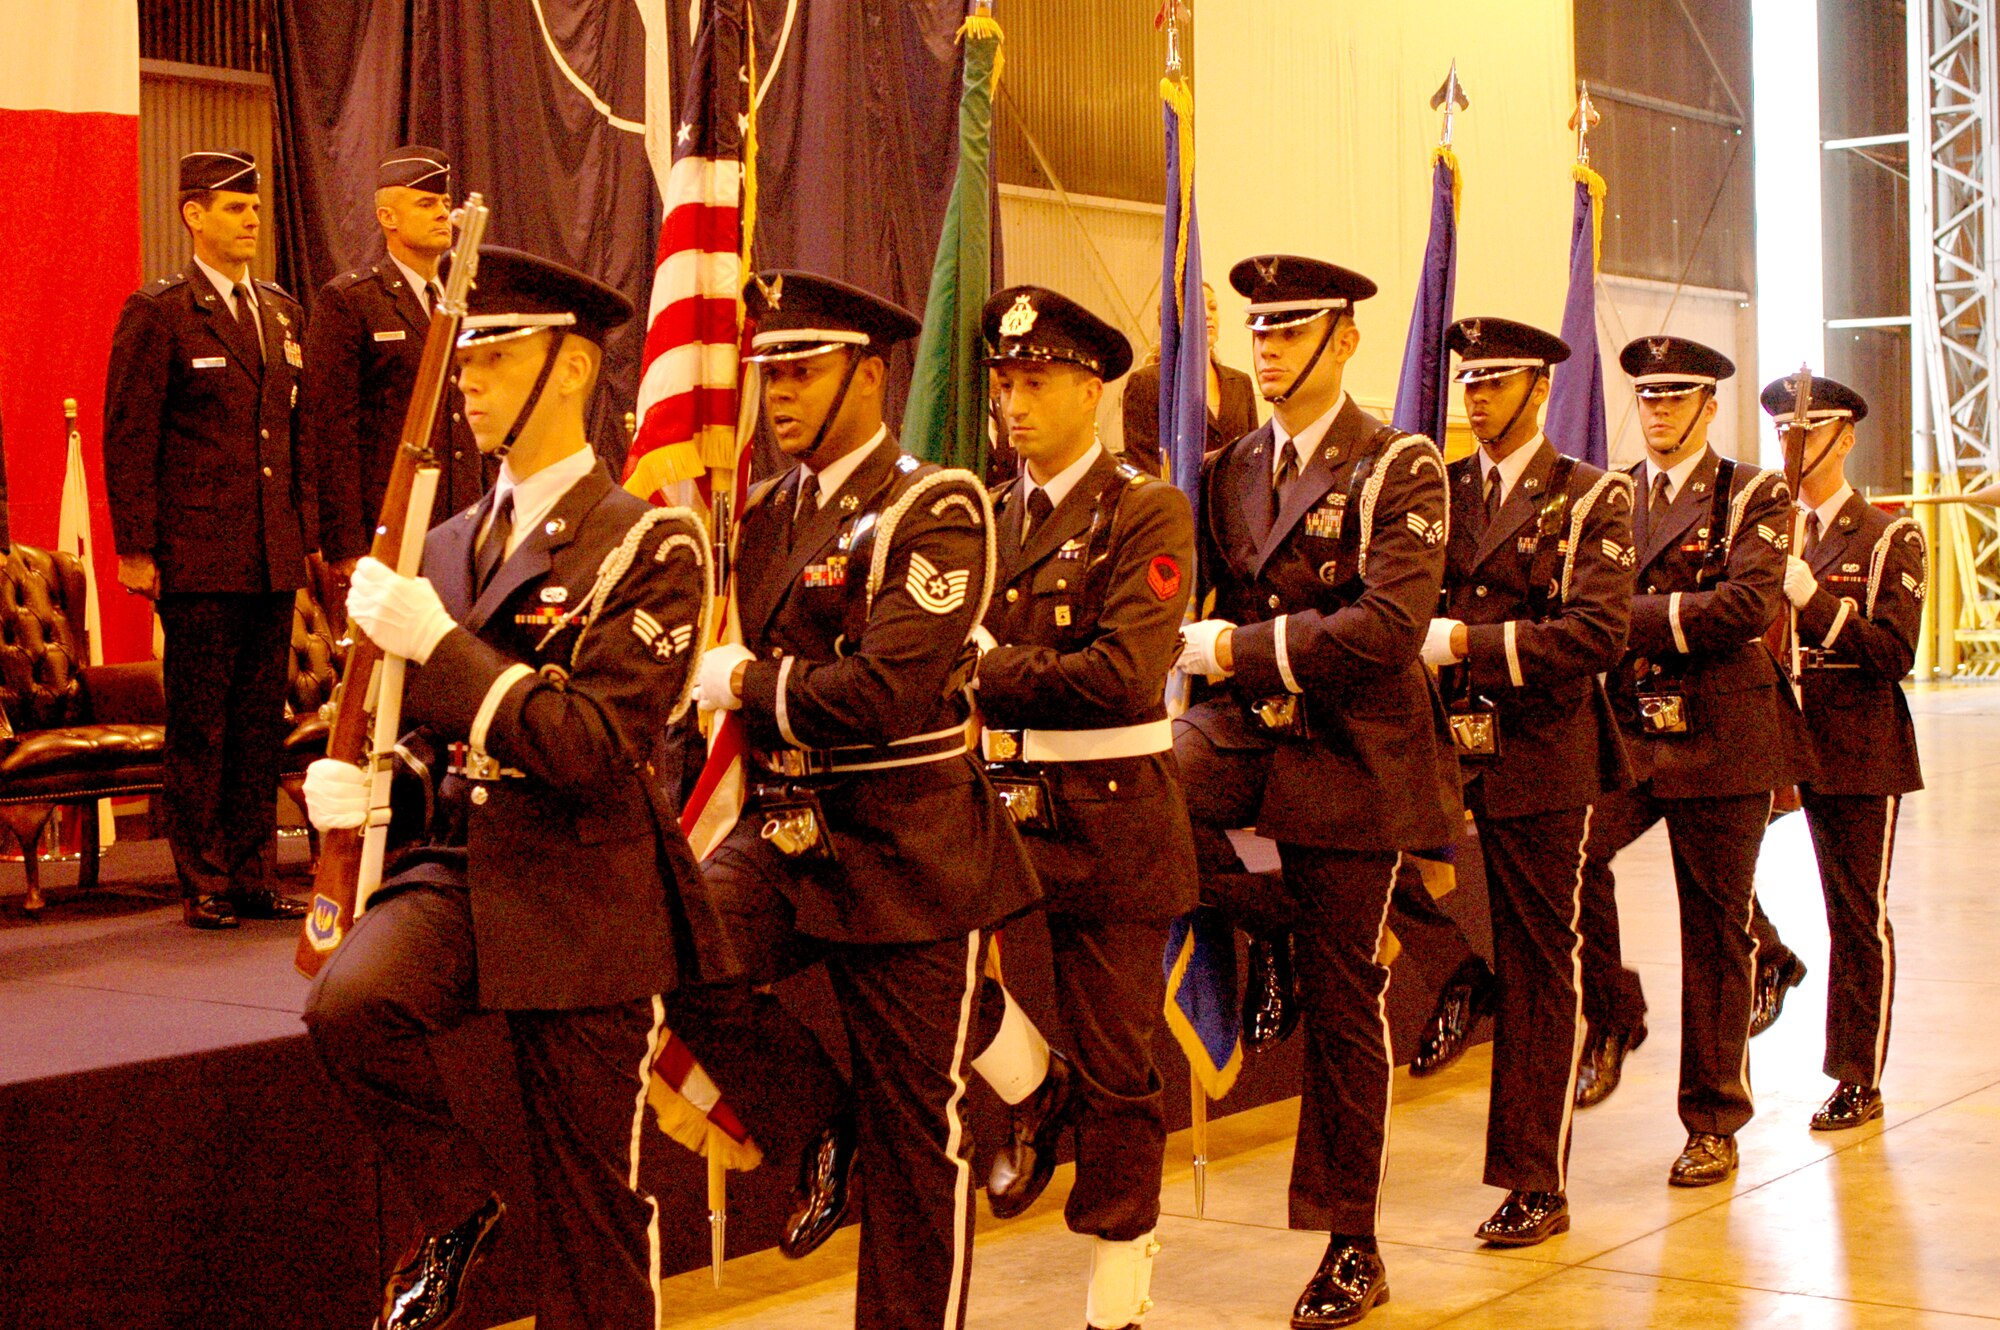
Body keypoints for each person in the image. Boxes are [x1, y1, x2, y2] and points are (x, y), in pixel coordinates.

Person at [299, 248, 708, 1330]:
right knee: (350, 1005)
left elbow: (588, 746)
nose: (470, 379)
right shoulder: (444, 540)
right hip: (465, 871)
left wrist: (443, 646)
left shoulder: (649, 540)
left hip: (583, 890)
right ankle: (458, 1205)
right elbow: (423, 736)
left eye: (497, 352)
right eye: (465, 354)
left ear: (571, 369)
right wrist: (362, 786)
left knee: (590, 1205)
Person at [677, 270, 1039, 1330]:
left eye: (800, 368)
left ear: (868, 374)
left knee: (915, 1135)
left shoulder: (933, 503)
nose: (776, 391)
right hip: (783, 831)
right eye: (767, 371)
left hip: (903, 846)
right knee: (673, 951)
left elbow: (886, 689)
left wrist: (748, 683)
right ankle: (815, 1123)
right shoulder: (767, 508)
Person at [1172, 254, 1458, 1327]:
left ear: (1342, 339)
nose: (1269, 344)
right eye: (1259, 328)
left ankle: (1351, 1241)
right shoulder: (1230, 463)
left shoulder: (1399, 466)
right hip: (1250, 738)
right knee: (1144, 803)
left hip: (1352, 757)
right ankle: (1276, 933)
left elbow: (1385, 631)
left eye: (1292, 328)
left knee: (1346, 1007)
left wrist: (1241, 650)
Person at [963, 285, 1198, 1330]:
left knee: (1117, 1067)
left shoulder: (1141, 507)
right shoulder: (979, 510)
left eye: (1036, 382)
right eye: (1004, 383)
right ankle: (1030, 1084)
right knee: (943, 983)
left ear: (1090, 388)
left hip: (1107, 816)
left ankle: (1115, 1298)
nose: (1014, 404)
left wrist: (984, 669)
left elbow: (1122, 671)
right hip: (993, 806)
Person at [1574, 336, 1817, 1189]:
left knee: (1710, 932)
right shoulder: (1608, 494)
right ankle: (1614, 1012)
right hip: (1635, 725)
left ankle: (1712, 1120)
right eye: (1648, 397)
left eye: (1678, 397)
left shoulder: (1750, 490)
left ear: (1709, 406)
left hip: (1725, 730)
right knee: (1574, 857)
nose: (1660, 410)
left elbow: (1743, 608)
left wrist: (1617, 617)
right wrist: (1664, 611)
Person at [1420, 317, 1635, 1245]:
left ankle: (1534, 1180)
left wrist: (1470, 642)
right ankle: (1458, 977)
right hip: (1437, 746)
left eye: (1496, 382)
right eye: (1469, 381)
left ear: (1539, 389)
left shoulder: (1590, 498)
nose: (1476, 397)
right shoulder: (1439, 487)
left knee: (1543, 966)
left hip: (1541, 756)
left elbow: (1595, 635)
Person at [102, 148, 313, 930]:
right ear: (193, 214)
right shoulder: (160, 311)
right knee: (203, 724)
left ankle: (256, 870)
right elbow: (129, 435)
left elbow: (294, 439)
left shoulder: (283, 311)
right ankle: (205, 878)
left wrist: (307, 538)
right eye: (234, 206)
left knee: (261, 721)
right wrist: (137, 547)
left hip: (269, 550)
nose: (252, 218)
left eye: (255, 206)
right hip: (197, 553)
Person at [1761, 373, 1925, 1131]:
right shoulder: (1773, 528)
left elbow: (1893, 653)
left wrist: (1816, 604)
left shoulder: (1890, 535)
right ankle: (1770, 957)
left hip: (1857, 743)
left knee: (1856, 914)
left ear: (1844, 436)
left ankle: (1857, 1075)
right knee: (1715, 879)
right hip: (1773, 734)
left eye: (1805, 432)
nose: (1791, 447)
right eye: (1783, 433)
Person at [304, 146, 488, 588]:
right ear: (389, 218)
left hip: (465, 518)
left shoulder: (468, 301)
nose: (442, 214)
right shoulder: (353, 301)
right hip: (392, 524)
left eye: (445, 204)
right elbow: (332, 430)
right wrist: (348, 545)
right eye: (426, 204)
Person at [1120, 281, 1258, 477]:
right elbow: (1143, 464)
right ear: (1174, 319)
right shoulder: (1147, 383)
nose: (1208, 315)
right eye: (1198, 307)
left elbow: (1254, 454)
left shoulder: (1241, 382)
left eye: (1213, 307)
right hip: (1178, 501)